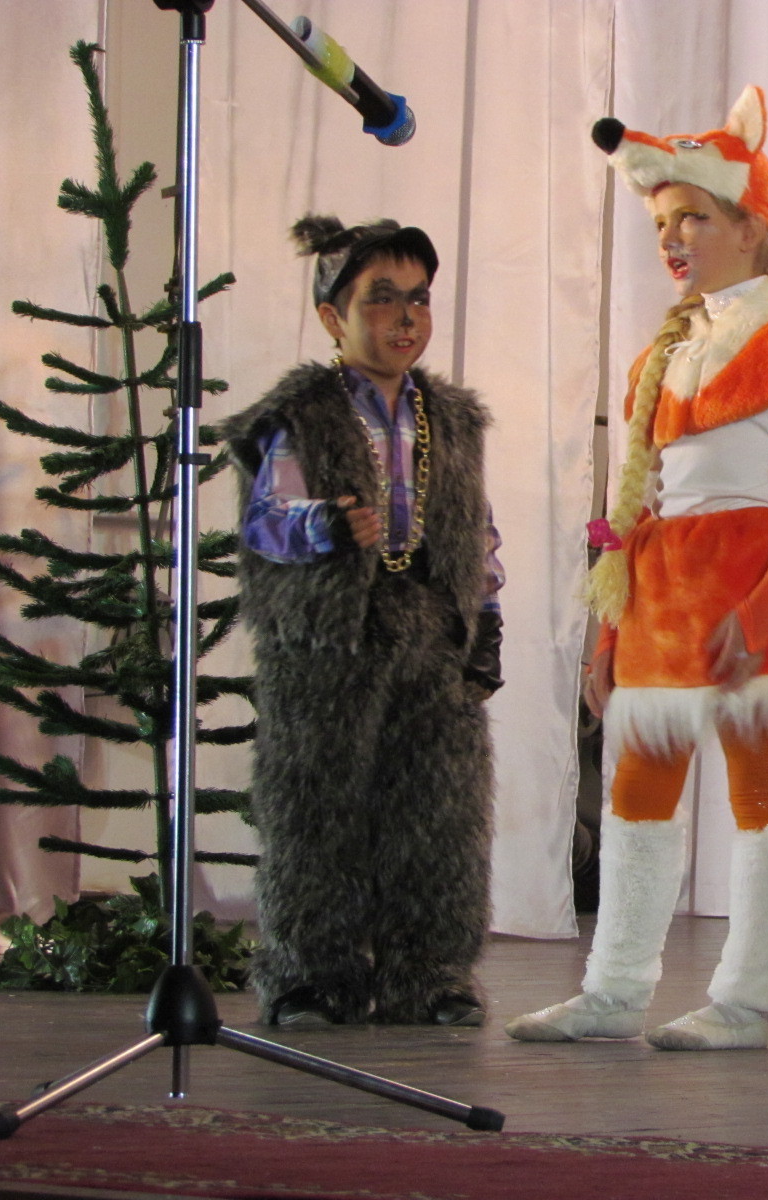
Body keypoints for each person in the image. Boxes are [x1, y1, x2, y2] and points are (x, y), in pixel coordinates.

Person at [507, 85, 768, 1052]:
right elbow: (635, 506)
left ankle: (746, 1004)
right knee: (636, 790)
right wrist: (606, 633)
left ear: (752, 227)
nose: (674, 237)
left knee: (758, 791)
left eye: (694, 216)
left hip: (748, 587)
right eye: (663, 222)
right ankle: (615, 991)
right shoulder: (661, 356)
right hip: (663, 596)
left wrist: (764, 608)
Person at [223, 215, 502, 1028]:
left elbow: (477, 532)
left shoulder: (450, 418)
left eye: (420, 299)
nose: (406, 317)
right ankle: (312, 974)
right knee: (317, 806)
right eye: (382, 298)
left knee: (438, 809)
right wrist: (327, 525)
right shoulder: (303, 414)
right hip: (329, 637)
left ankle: (432, 972)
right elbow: (265, 520)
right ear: (332, 316)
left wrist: (485, 623)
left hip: (430, 632)